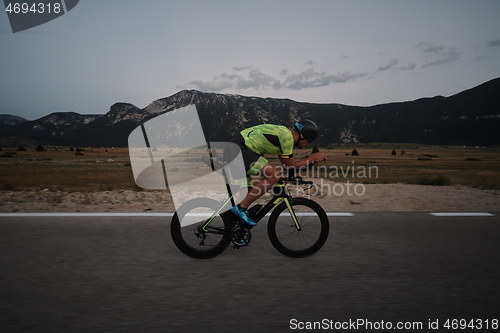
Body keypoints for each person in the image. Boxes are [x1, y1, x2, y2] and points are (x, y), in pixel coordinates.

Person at [229, 120, 326, 226]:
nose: (309, 144)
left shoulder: (285, 137)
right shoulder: (287, 138)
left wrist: (309, 160)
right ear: (302, 135)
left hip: (239, 149)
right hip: (241, 148)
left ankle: (237, 231)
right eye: (310, 139)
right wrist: (311, 158)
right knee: (273, 176)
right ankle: (240, 208)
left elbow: (288, 166)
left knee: (246, 196)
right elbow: (291, 165)